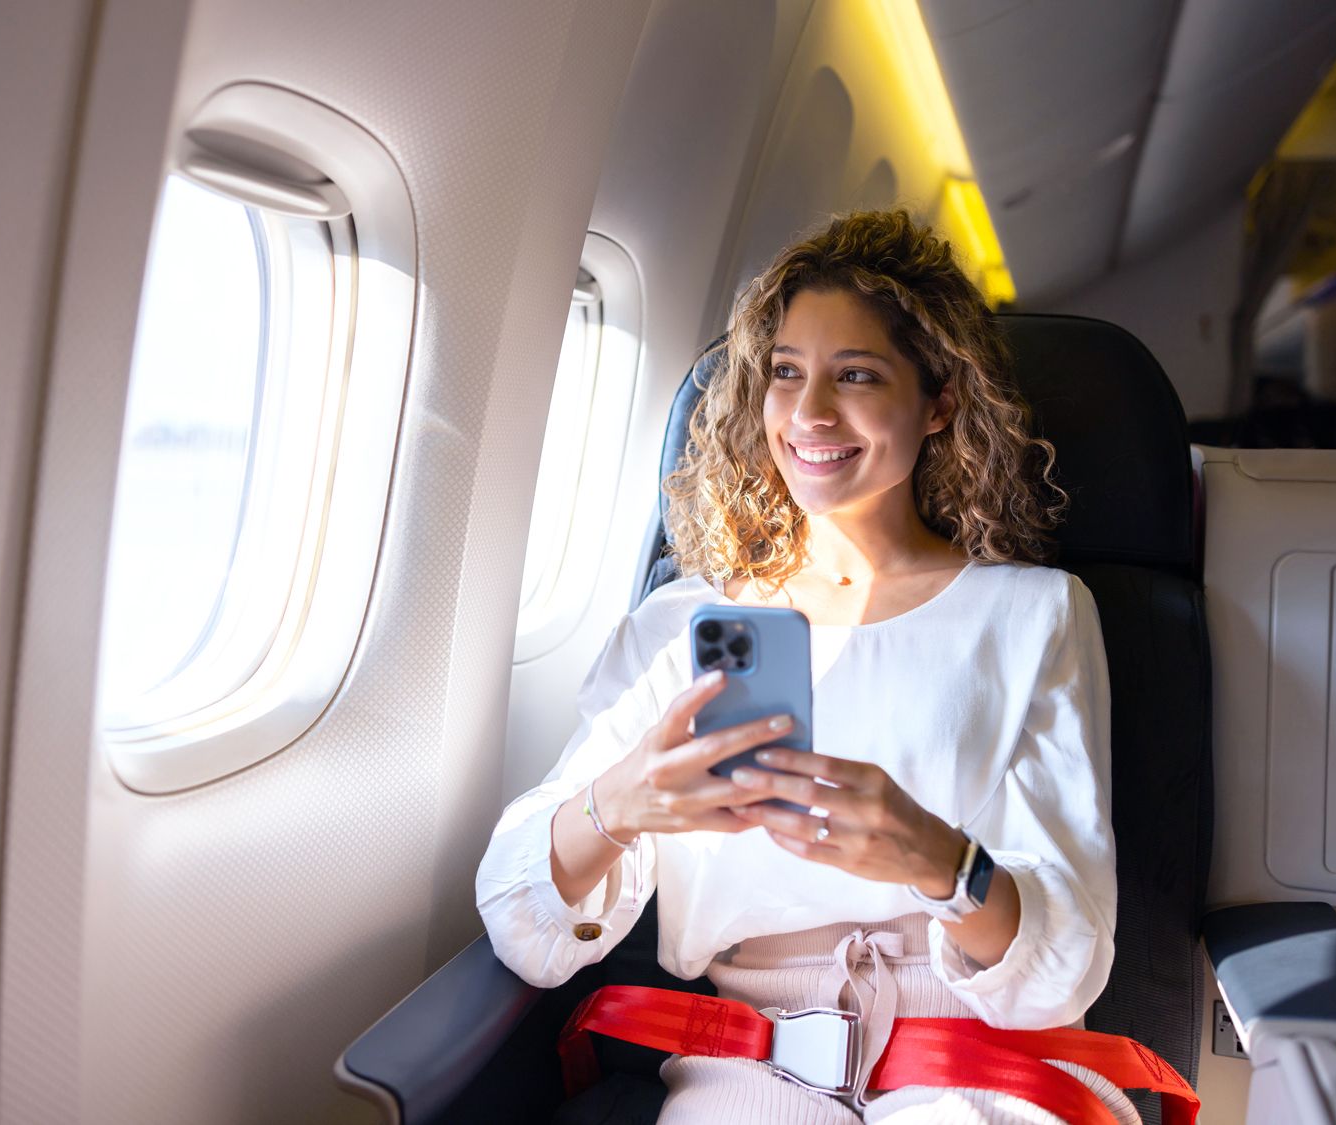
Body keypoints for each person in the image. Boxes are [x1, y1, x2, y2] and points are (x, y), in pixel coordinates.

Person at [477, 210, 1127, 1123]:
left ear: (938, 401)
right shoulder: (688, 623)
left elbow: (1060, 972)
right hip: (751, 1057)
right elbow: (522, 926)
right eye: (788, 373)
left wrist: (939, 861)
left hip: (974, 1051)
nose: (812, 413)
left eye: (856, 375)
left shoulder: (1035, 616)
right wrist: (621, 803)